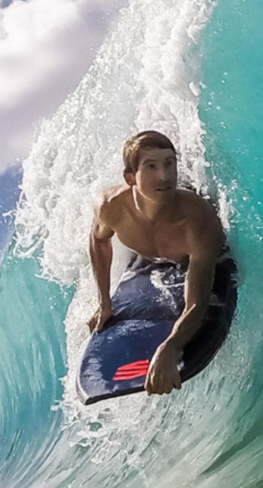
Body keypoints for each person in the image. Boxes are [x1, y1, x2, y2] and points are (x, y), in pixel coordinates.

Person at [87, 131, 225, 395]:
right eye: (151, 166)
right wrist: (104, 302)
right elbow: (99, 241)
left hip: (196, 256)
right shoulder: (110, 207)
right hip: (153, 249)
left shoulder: (199, 223)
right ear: (130, 178)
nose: (164, 176)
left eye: (169, 163)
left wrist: (170, 346)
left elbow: (197, 304)